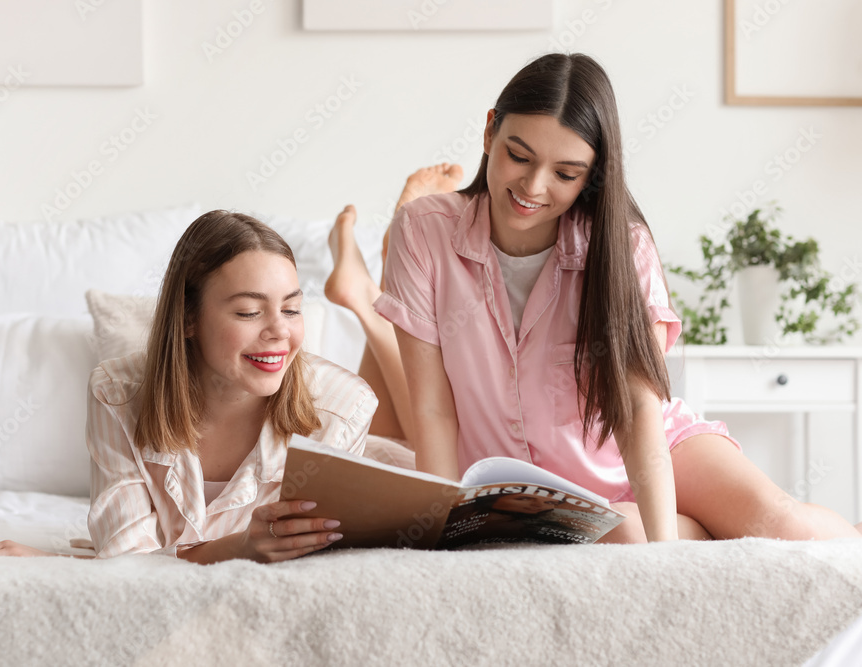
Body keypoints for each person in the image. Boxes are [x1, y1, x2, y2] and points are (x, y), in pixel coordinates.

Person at [324, 53, 862, 543]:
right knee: (624, 539)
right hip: (530, 486)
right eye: (518, 156)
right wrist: (442, 538)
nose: (533, 187)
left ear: (592, 176)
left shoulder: (623, 247)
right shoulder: (424, 229)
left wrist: (666, 554)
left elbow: (637, 415)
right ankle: (695, 528)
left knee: (785, 527)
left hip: (653, 451)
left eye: (565, 174)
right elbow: (434, 411)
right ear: (490, 131)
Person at [0, 210, 380, 563]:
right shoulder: (116, 394)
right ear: (187, 318)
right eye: (249, 312)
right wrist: (237, 548)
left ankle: (367, 290)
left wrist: (61, 563)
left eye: (291, 309)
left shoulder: (342, 409)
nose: (280, 332)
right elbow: (127, 560)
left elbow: (322, 570)